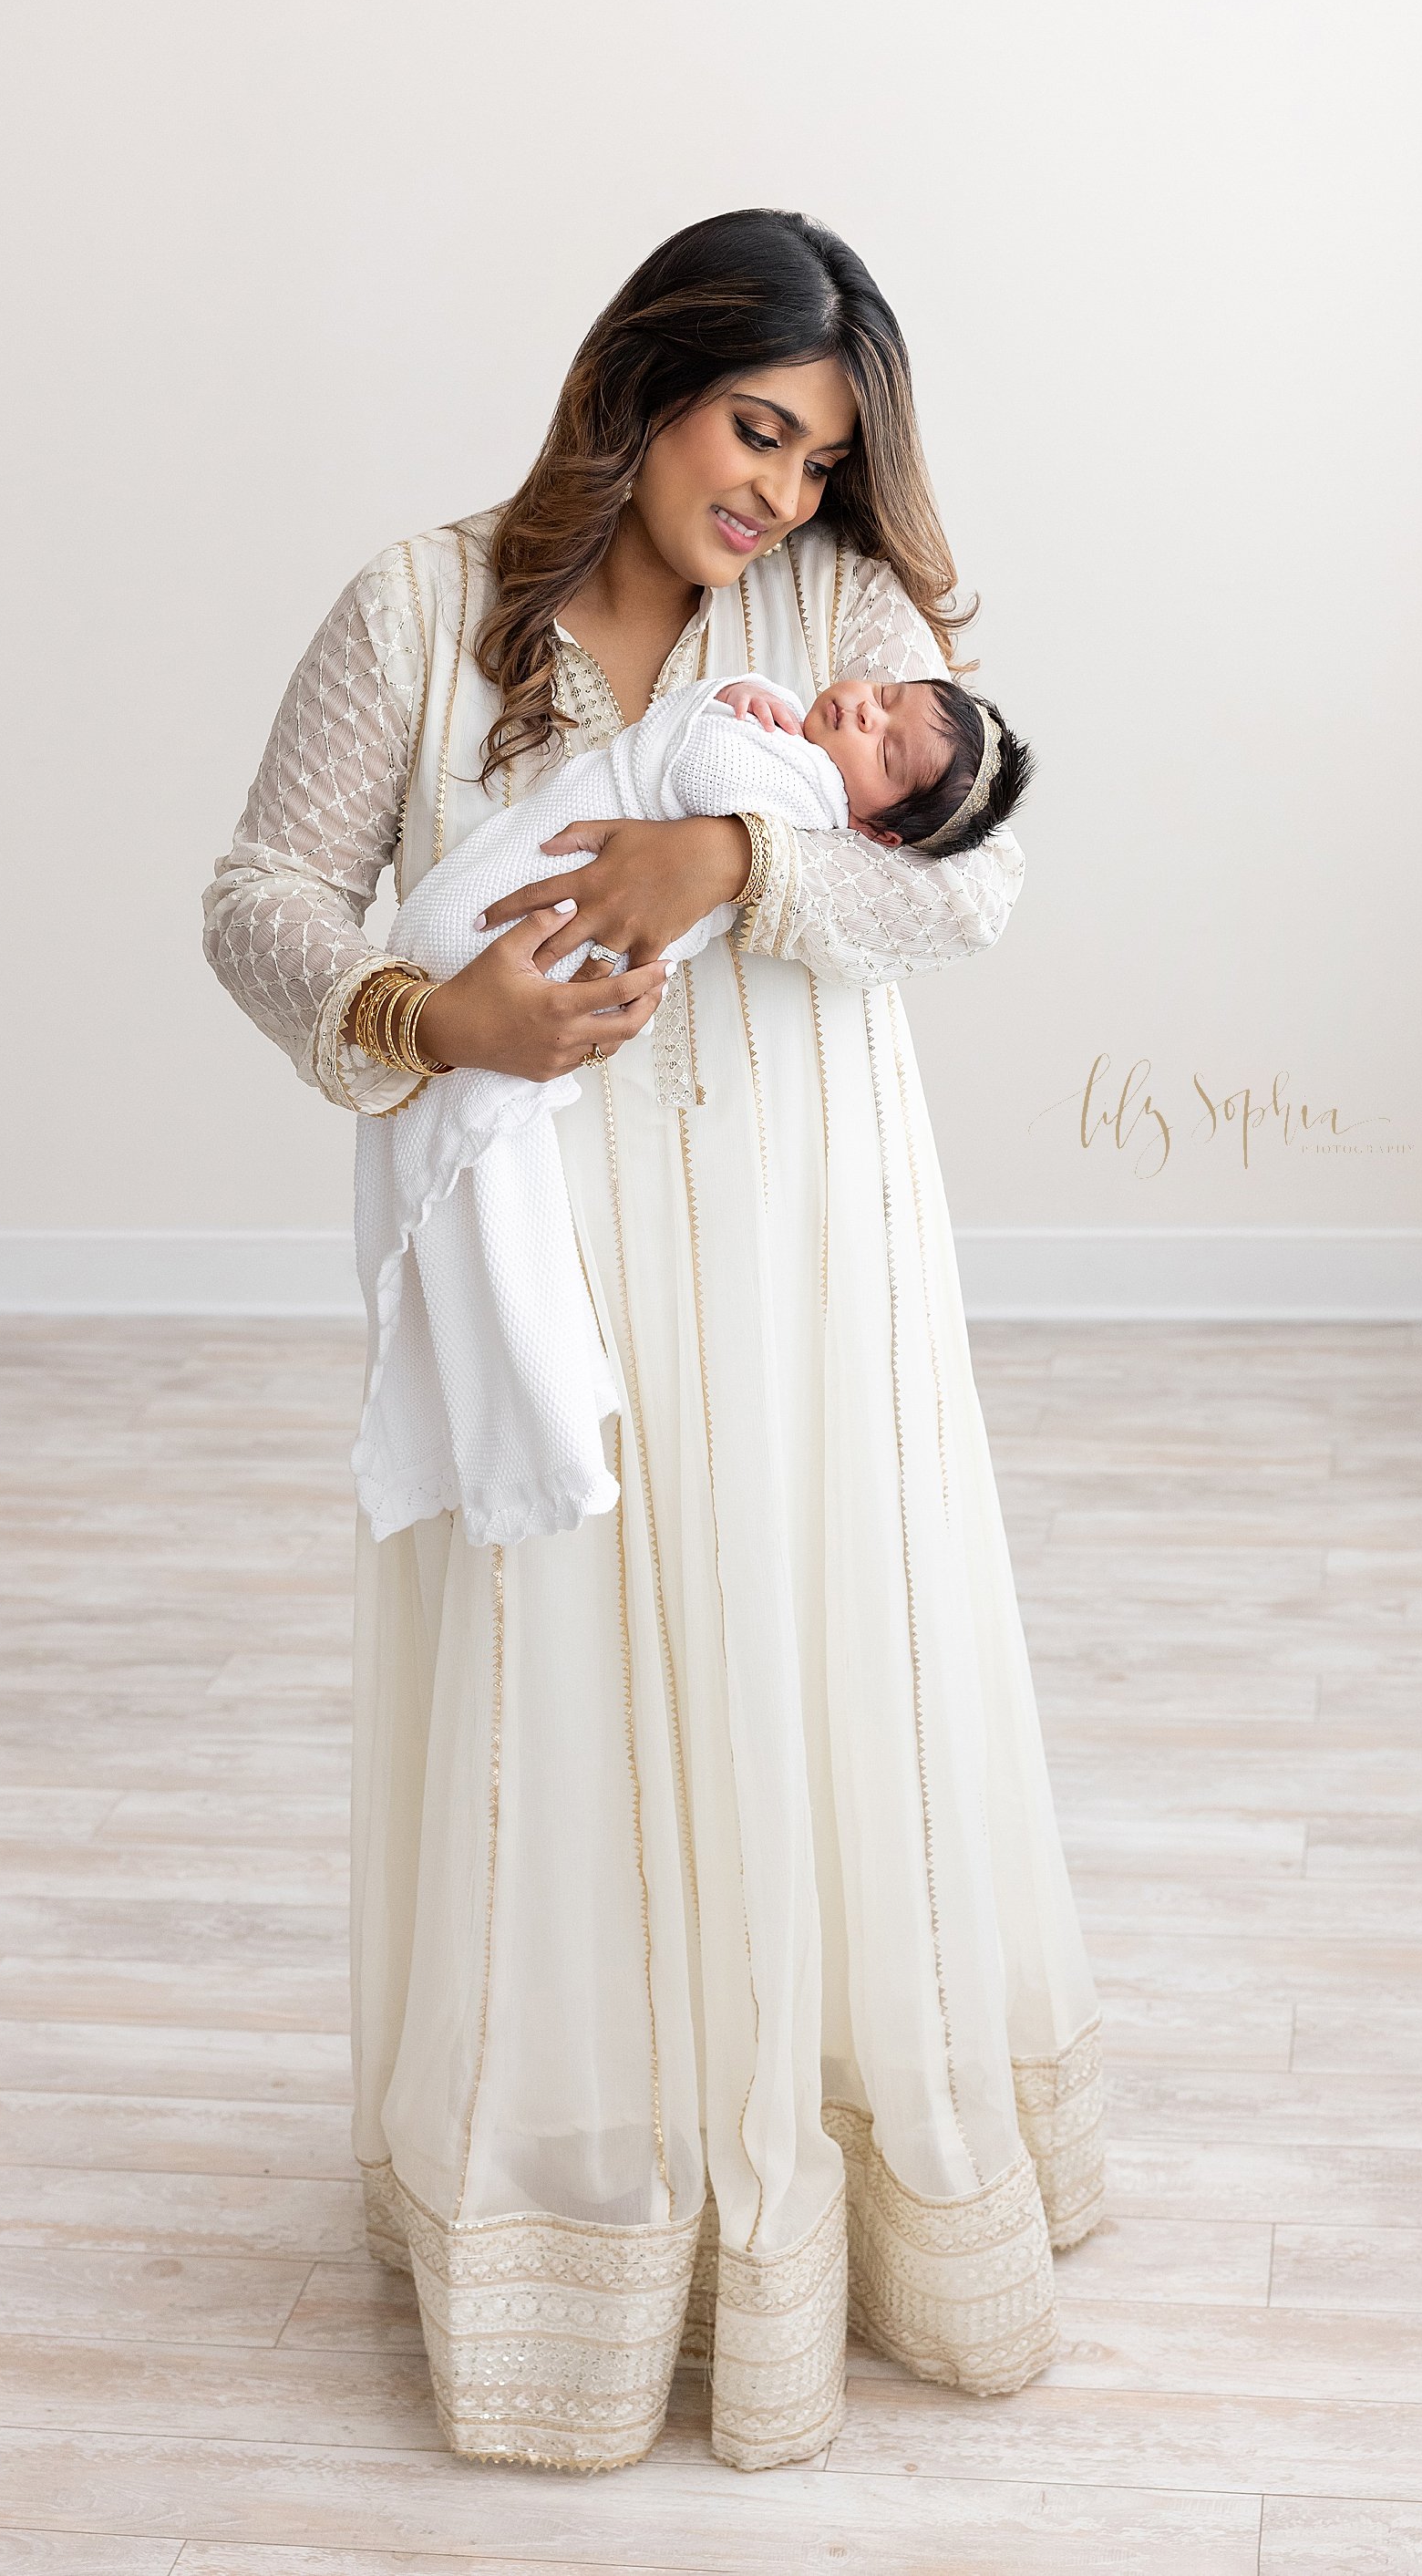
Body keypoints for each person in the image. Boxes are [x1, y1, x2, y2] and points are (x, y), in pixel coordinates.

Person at [202, 207, 1106, 2476]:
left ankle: (825, 2182)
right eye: (754, 430)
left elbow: (977, 879)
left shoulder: (827, 614)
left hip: (808, 1255)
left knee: (808, 1666)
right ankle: (590, 2207)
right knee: (581, 1690)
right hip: (558, 1253)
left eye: (818, 458)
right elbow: (259, 901)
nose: (780, 494)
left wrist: (728, 862)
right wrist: (435, 1013)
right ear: (642, 380)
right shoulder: (419, 610)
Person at [351, 668, 1033, 1553]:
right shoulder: (793, 742)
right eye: (887, 694)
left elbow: (706, 770)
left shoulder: (802, 792)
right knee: (494, 1182)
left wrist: (733, 758)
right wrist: (740, 690)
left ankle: (531, 1411)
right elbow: (697, 738)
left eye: (886, 746)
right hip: (485, 926)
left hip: (507, 929)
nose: (865, 709)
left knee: (496, 1187)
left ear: (868, 827)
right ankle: (532, 1408)